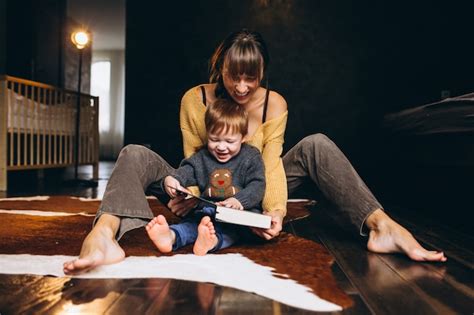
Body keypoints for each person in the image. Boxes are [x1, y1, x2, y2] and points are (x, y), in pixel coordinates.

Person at [64, 29, 445, 275]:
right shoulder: (194, 99)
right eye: (234, 76)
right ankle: (103, 236)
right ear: (221, 67)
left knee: (318, 144)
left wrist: (275, 212)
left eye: (252, 77)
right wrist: (186, 197)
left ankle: (383, 227)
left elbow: (271, 163)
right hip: (202, 186)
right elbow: (194, 160)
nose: (242, 87)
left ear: (262, 72)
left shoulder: (273, 104)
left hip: (253, 185)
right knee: (132, 151)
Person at [145, 98, 265, 256]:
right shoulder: (201, 157)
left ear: (243, 137)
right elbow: (187, 170)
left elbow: (258, 185)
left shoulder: (251, 156)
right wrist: (173, 179)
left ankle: (211, 242)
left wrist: (239, 201)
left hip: (238, 217)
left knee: (232, 232)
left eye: (229, 141)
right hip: (208, 212)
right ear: (207, 134)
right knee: (192, 224)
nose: (221, 147)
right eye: (214, 139)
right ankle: (170, 236)